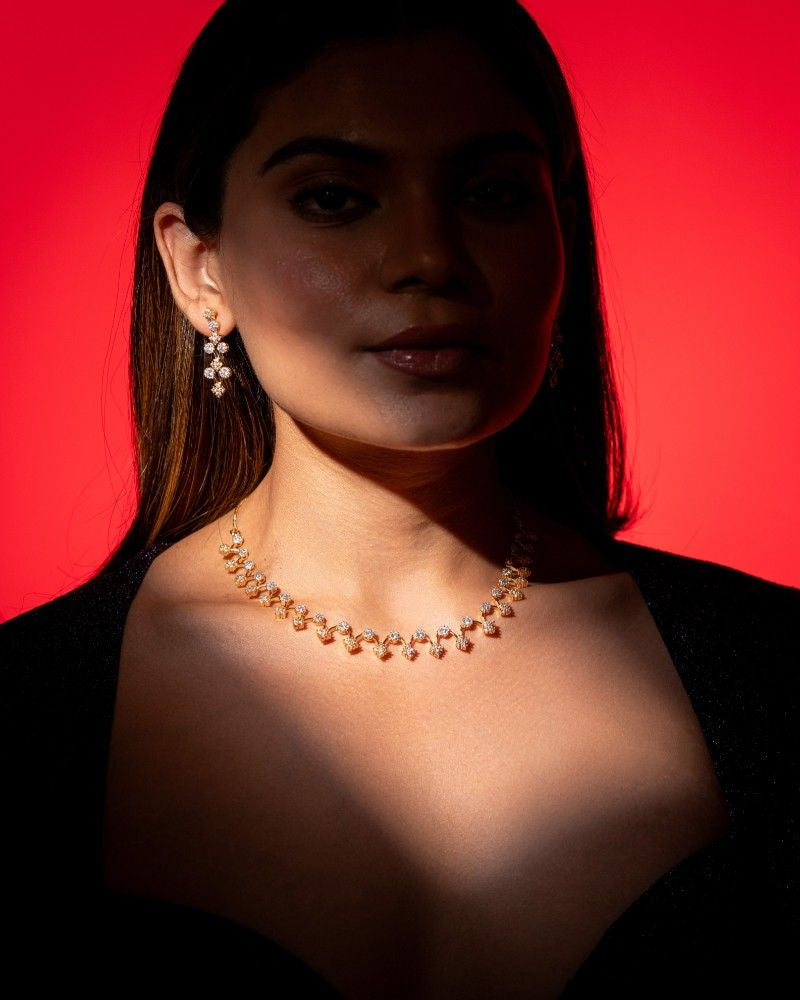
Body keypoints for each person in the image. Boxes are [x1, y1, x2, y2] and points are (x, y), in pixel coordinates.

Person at [2, 1, 797, 995]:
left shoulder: (776, 669)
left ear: (560, 239)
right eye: (336, 198)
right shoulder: (26, 710)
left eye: (495, 192)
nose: (429, 256)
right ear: (198, 269)